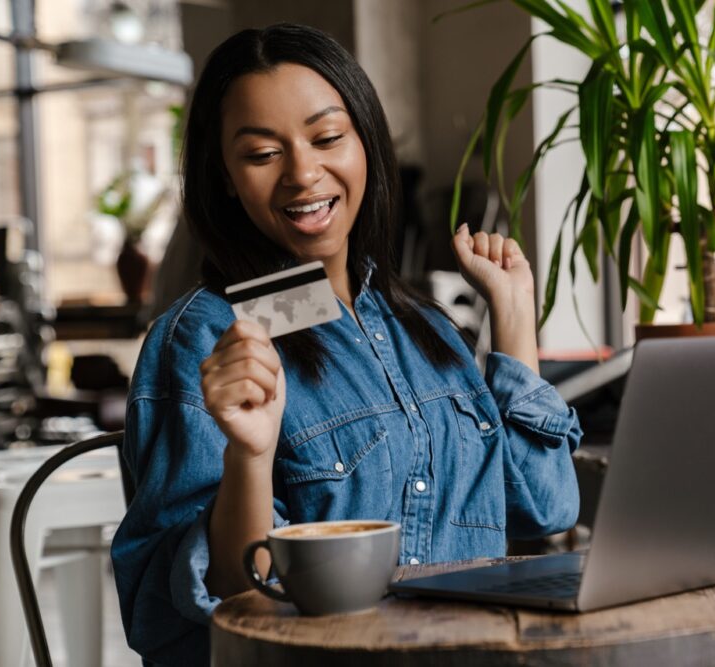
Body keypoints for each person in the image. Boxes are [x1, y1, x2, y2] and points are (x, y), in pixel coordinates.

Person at [111, 23, 581, 666]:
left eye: (327, 137)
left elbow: (543, 510)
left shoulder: (428, 329)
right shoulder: (206, 337)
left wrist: (516, 324)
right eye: (260, 154)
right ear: (223, 176)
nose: (303, 174)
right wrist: (250, 457)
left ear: (366, 144)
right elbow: (225, 596)